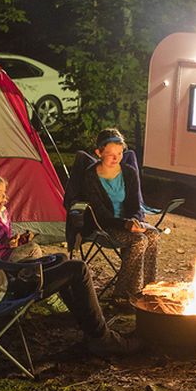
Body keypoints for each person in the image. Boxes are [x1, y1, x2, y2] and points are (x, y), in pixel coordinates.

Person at [0, 159, 142, 356]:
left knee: (61, 259)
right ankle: (102, 338)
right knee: (78, 269)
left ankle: (88, 325)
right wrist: (6, 273)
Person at [77, 127, 159, 302]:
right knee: (139, 241)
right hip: (102, 226)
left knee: (153, 234)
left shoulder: (129, 173)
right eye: (110, 154)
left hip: (127, 224)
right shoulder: (90, 177)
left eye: (120, 153)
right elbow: (99, 214)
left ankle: (147, 289)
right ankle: (124, 295)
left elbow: (136, 205)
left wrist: (135, 221)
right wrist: (124, 224)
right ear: (99, 153)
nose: (116, 158)